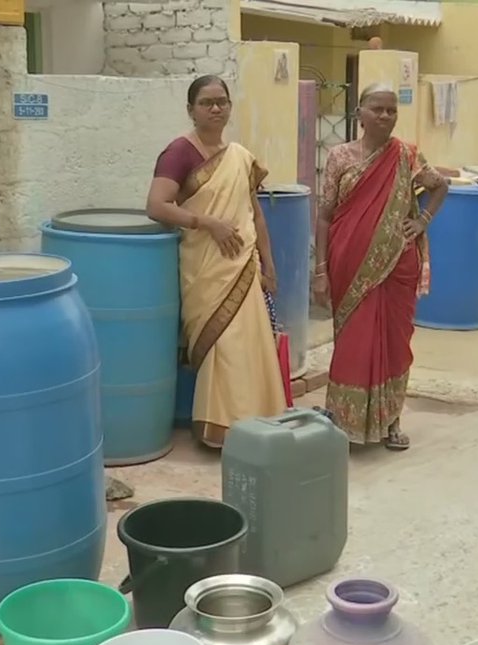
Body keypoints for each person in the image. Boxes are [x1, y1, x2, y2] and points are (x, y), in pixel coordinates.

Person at [145, 74, 287, 448]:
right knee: (224, 347)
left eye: (222, 101)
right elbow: (156, 206)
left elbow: (255, 214)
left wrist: (268, 264)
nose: (215, 108)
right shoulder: (179, 152)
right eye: (206, 102)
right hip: (207, 268)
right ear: (191, 110)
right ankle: (219, 429)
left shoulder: (239, 156)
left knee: (251, 346)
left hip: (244, 265)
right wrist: (206, 222)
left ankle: (257, 422)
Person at [313, 83, 448, 451]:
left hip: (396, 268)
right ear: (360, 113)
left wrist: (422, 221)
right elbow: (324, 215)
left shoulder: (406, 155)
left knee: (393, 342)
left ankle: (391, 421)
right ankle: (343, 421)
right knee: (352, 345)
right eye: (377, 109)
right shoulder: (340, 157)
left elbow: (440, 186)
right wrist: (320, 269)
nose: (385, 116)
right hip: (347, 266)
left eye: (391, 110)